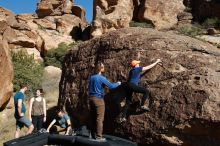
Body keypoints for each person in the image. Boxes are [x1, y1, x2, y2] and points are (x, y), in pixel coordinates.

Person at [89, 62, 121, 141]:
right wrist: (118, 83)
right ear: (100, 68)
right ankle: (99, 137)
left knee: (93, 117)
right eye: (103, 67)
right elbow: (111, 86)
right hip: (98, 100)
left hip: (91, 98)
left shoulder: (92, 77)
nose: (104, 68)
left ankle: (91, 135)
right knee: (100, 119)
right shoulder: (101, 78)